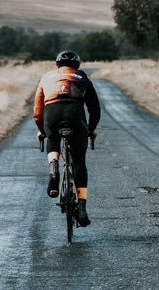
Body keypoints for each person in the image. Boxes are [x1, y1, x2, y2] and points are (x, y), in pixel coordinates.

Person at [33, 50, 101, 227]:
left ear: (57, 64)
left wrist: (42, 130)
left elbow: (37, 111)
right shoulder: (82, 76)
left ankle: (53, 169)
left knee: (53, 137)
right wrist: (90, 130)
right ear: (77, 65)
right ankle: (83, 207)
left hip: (52, 114)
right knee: (79, 162)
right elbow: (94, 108)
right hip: (75, 114)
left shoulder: (46, 77)